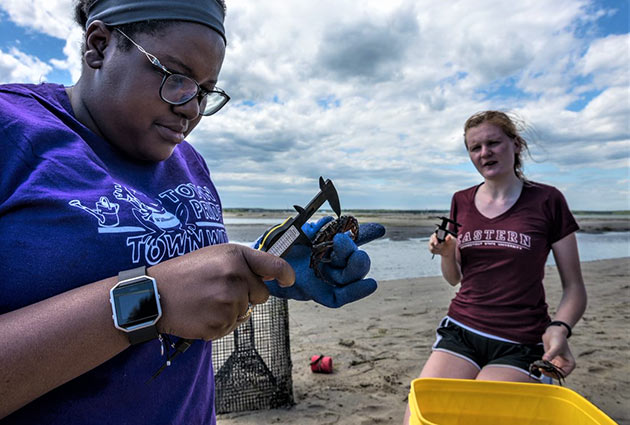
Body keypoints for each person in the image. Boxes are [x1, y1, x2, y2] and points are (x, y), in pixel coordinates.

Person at [0, 1, 385, 423]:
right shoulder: (13, 133)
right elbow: (164, 288)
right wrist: (152, 299)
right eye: (176, 77)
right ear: (99, 45)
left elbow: (171, 265)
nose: (192, 108)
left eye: (205, 90)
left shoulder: (187, 161)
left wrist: (260, 268)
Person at [403, 110, 587, 424]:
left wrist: (559, 329)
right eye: (475, 148)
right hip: (462, 330)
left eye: (493, 143)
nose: (484, 153)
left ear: (516, 144)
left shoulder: (548, 200)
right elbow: (455, 279)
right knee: (418, 413)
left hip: (520, 341)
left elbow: (575, 289)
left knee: (476, 417)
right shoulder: (460, 200)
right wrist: (447, 254)